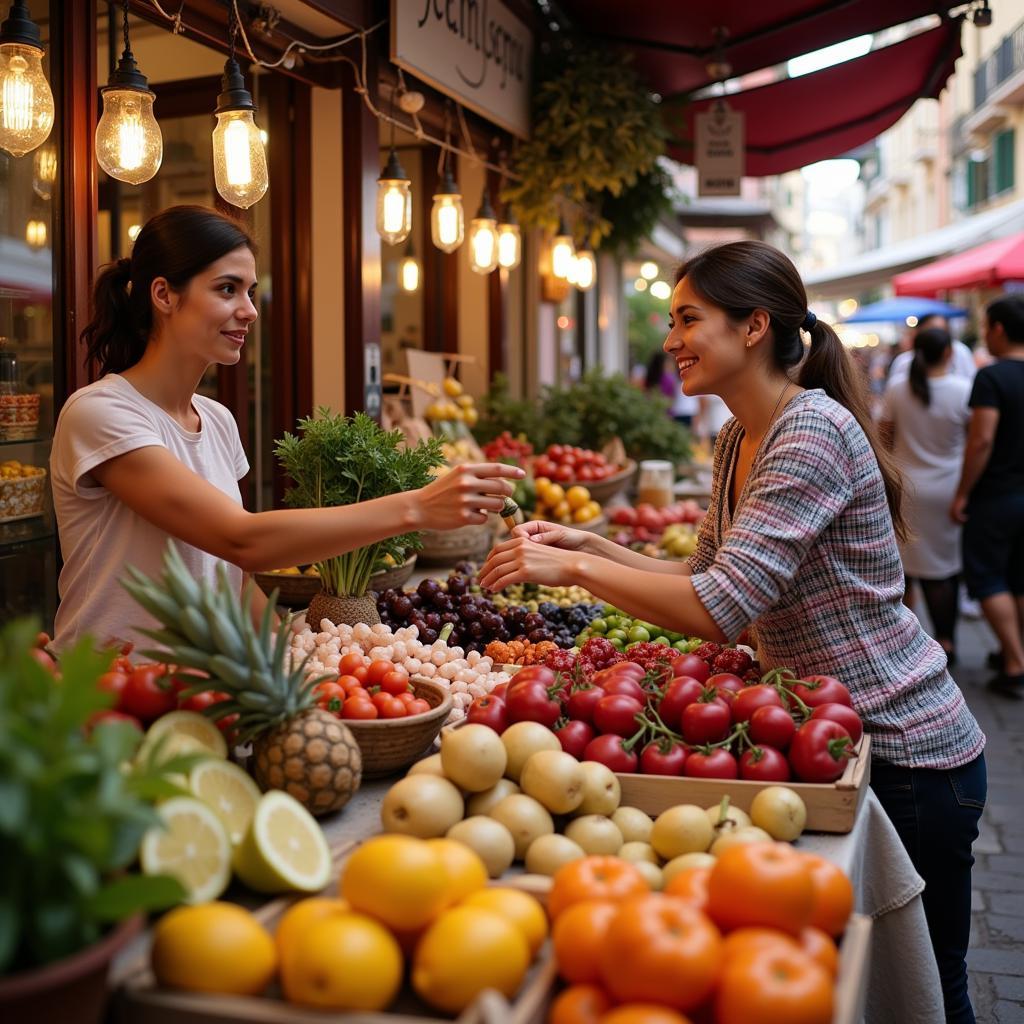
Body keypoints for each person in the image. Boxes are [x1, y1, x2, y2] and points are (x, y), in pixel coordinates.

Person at [481, 240, 986, 1024]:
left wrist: (575, 574)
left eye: (689, 319)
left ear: (754, 328)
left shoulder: (811, 433)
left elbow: (720, 608)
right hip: (835, 730)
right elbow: (706, 575)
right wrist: (593, 546)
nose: (671, 338)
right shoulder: (736, 435)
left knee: (927, 990)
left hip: (904, 746)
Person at [50, 205, 522, 653]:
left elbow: (231, 575)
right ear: (164, 295)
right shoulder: (101, 414)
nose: (250, 310)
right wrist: (416, 506)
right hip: (111, 700)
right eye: (227, 289)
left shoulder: (216, 421)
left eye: (250, 291)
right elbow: (243, 540)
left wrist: (296, 654)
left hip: (203, 694)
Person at [880, 327, 971, 665]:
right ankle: (947, 642)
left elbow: (883, 436)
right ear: (949, 353)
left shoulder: (897, 388)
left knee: (904, 571)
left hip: (907, 487)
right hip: (948, 489)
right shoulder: (964, 390)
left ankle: (905, 643)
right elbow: (977, 442)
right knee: (943, 572)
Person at [951, 294, 1024, 699]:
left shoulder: (991, 378)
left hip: (997, 496)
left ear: (997, 329)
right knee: (1018, 577)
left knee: (989, 576)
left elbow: (981, 440)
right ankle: (1014, 653)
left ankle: (1015, 663)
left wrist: (963, 493)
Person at [888, 314, 976, 383]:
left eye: (942, 331)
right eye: (933, 330)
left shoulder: (960, 351)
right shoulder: (903, 362)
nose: (938, 336)